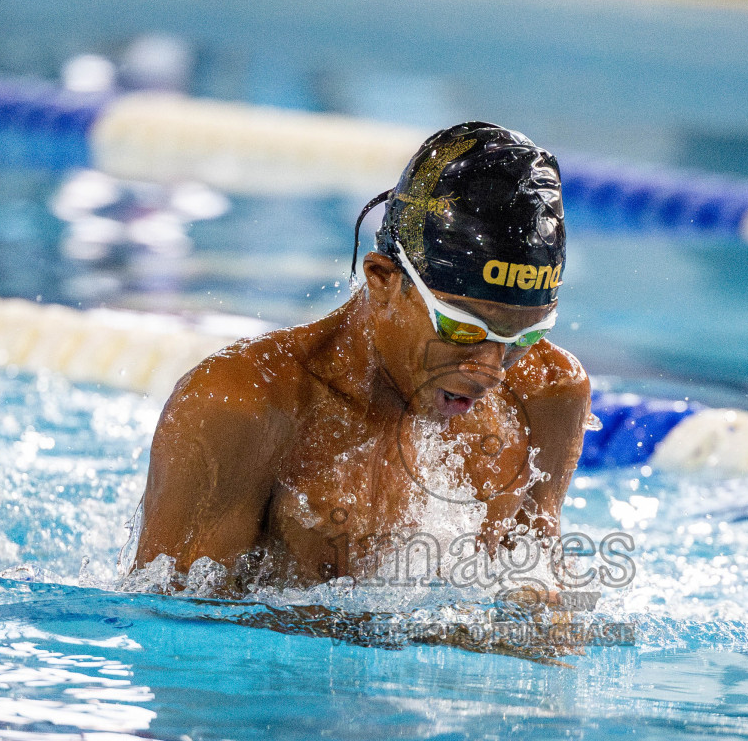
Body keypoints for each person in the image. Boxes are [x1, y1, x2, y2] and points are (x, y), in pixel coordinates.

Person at [132, 122, 591, 596]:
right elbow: (176, 634)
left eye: (524, 337)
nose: (492, 371)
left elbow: (532, 586)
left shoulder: (549, 394)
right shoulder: (242, 406)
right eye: (463, 329)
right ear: (382, 280)